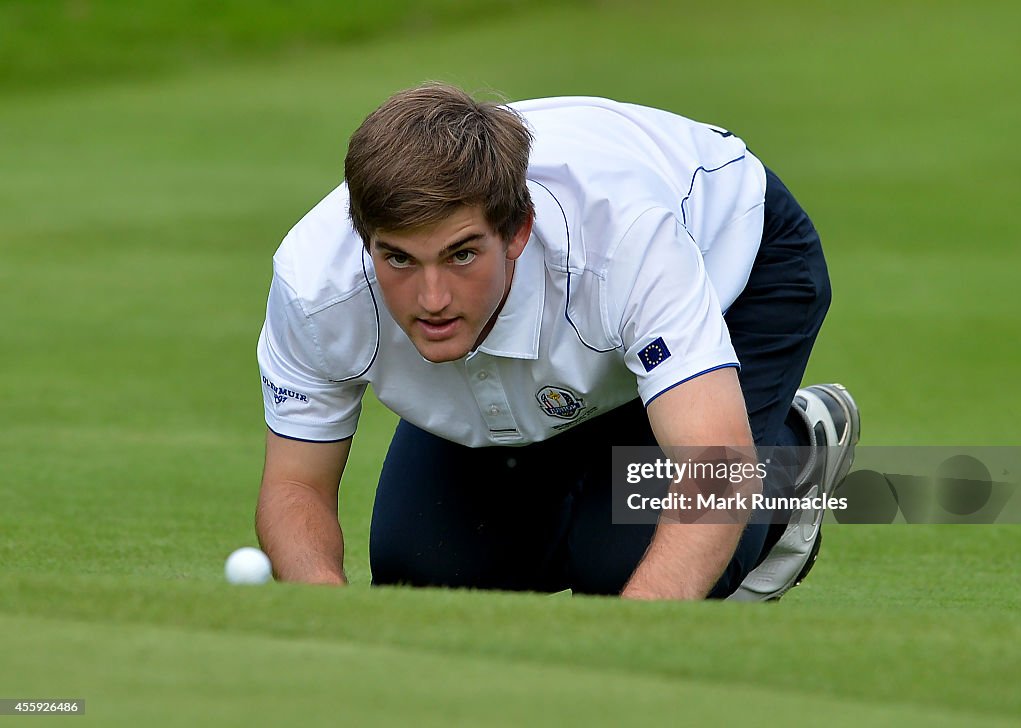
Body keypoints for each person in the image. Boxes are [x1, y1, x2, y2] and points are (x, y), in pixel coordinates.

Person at [254, 82, 860, 601]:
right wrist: (326, 614)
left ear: (517, 231)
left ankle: (797, 448)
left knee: (621, 561)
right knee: (430, 572)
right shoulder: (315, 287)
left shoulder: (621, 243)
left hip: (733, 259)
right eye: (399, 259)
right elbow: (294, 487)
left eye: (461, 254)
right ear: (365, 238)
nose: (431, 297)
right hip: (595, 329)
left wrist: (625, 645)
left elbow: (715, 466)